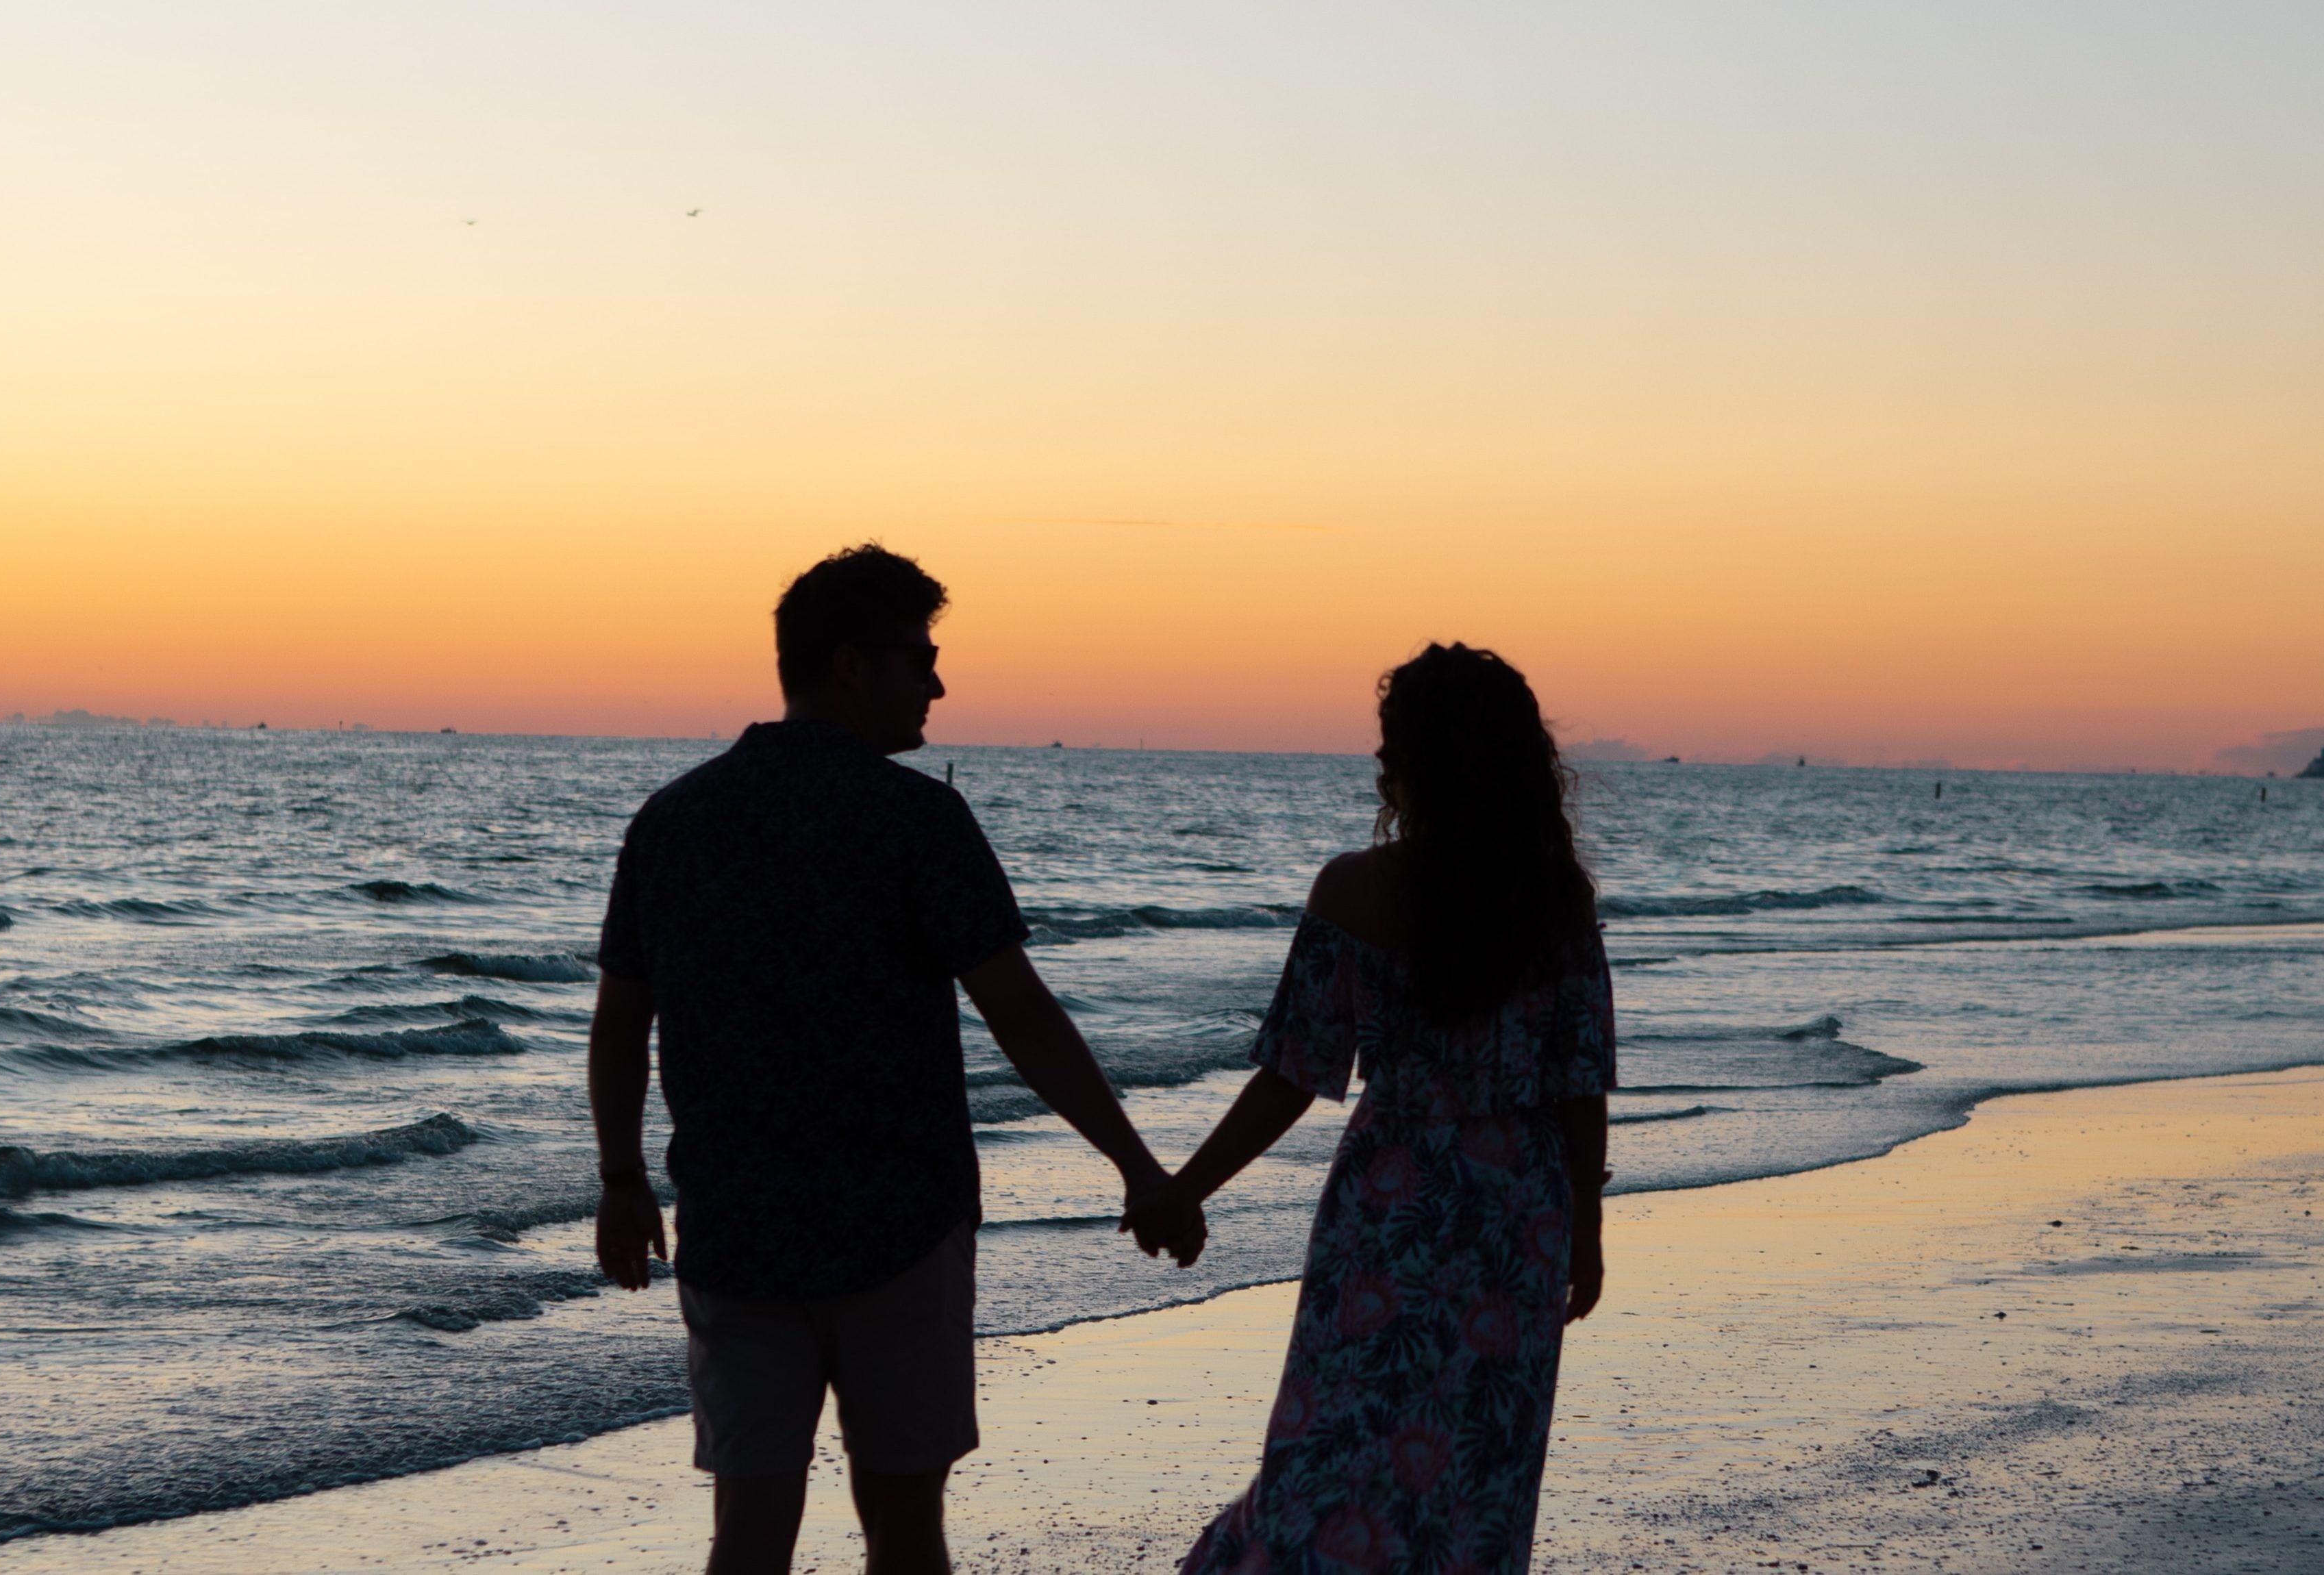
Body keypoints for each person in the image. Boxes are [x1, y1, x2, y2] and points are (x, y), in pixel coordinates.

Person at [587, 544, 1204, 1575]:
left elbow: (619, 1023)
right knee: (907, 1529)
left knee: (747, 1531)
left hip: (738, 1227)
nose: (938, 682)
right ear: (850, 665)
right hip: (900, 1228)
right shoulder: (916, 818)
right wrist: (1139, 1169)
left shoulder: (675, 820)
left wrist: (619, 1180)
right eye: (920, 657)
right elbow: (1020, 1011)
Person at [1125, 642, 1616, 1575]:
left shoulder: (1354, 890)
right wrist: (1584, 1227)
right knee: (1479, 1472)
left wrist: (1185, 1187)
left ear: (1413, 760)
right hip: (1519, 1210)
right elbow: (1577, 1081)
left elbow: (1294, 1074)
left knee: (1330, 1455)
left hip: (1393, 1201)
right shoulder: (1555, 898)